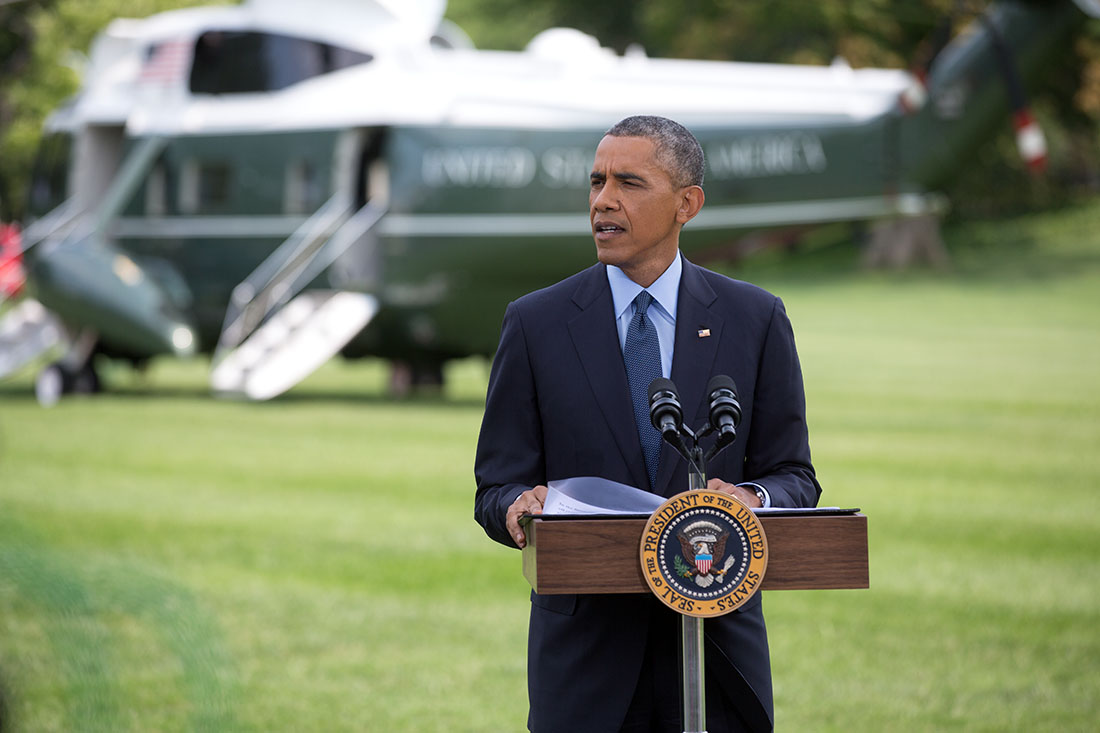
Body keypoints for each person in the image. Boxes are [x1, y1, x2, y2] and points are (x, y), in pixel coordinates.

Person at [474, 115, 821, 732]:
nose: (603, 200)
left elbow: (793, 475)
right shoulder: (535, 323)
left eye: (629, 183)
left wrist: (749, 498)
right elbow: (496, 485)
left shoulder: (755, 318)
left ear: (687, 203)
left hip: (718, 655)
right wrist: (515, 508)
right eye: (597, 181)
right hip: (586, 667)